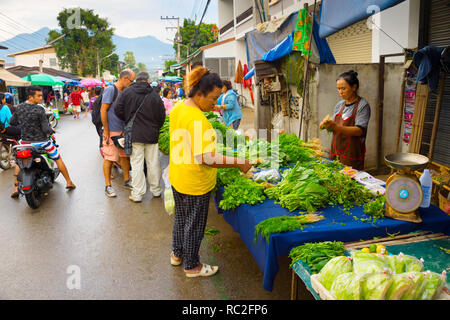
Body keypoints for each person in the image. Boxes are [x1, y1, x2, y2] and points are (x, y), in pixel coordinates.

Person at [169, 66, 252, 277]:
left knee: (181, 218)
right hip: (195, 182)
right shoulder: (198, 120)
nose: (215, 104)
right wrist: (239, 162)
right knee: (194, 225)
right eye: (213, 99)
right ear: (199, 94)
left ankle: (177, 254)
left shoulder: (180, 107)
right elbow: (207, 158)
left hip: (178, 175)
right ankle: (192, 266)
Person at [9, 85, 75, 198]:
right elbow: (46, 129)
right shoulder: (39, 109)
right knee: (57, 158)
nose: (41, 98)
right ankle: (69, 182)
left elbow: (12, 122)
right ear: (30, 97)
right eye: (38, 96)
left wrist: (24, 125)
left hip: (25, 143)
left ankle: (15, 187)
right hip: (42, 142)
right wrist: (52, 130)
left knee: (19, 163)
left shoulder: (19, 107)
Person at [115, 71, 166, 202]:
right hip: (152, 134)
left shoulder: (127, 92)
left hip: (134, 134)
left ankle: (137, 195)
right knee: (153, 162)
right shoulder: (154, 95)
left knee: (136, 164)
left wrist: (128, 119)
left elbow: (117, 109)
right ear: (148, 80)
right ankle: (156, 191)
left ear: (136, 80)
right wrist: (156, 127)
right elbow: (162, 115)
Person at [320, 70, 371, 170]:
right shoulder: (339, 105)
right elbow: (334, 126)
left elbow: (359, 131)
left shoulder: (363, 105)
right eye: (338, 89)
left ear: (354, 87)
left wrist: (336, 126)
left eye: (343, 88)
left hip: (352, 156)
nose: (340, 92)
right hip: (336, 153)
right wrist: (326, 125)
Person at [100, 69, 135, 197]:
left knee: (125, 156)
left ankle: (127, 180)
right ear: (125, 78)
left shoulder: (124, 91)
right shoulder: (111, 90)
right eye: (131, 81)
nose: (131, 84)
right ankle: (108, 186)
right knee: (110, 158)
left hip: (123, 131)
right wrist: (106, 130)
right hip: (112, 131)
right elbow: (103, 110)